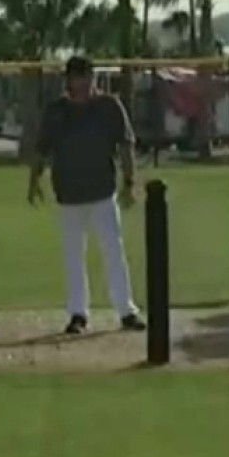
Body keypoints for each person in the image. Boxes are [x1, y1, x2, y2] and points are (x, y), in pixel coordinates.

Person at [30, 56, 146, 335]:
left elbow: (126, 144)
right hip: (68, 193)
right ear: (68, 80)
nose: (82, 83)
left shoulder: (108, 106)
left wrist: (130, 181)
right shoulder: (56, 111)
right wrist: (34, 180)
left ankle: (126, 310)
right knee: (73, 255)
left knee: (113, 251)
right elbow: (42, 149)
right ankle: (78, 313)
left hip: (102, 191)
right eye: (76, 77)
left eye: (86, 77)